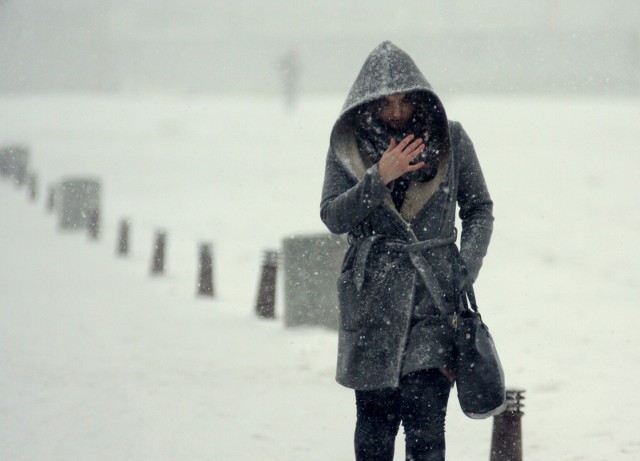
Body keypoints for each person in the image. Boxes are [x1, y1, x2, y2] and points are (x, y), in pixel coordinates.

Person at [320, 41, 494, 461]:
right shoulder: (349, 146)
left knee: (427, 431)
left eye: (404, 102)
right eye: (386, 104)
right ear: (367, 104)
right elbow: (332, 216)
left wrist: (462, 269)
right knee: (374, 432)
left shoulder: (450, 139)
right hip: (372, 301)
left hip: (432, 299)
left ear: (420, 99)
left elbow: (479, 210)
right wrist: (377, 177)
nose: (396, 113)